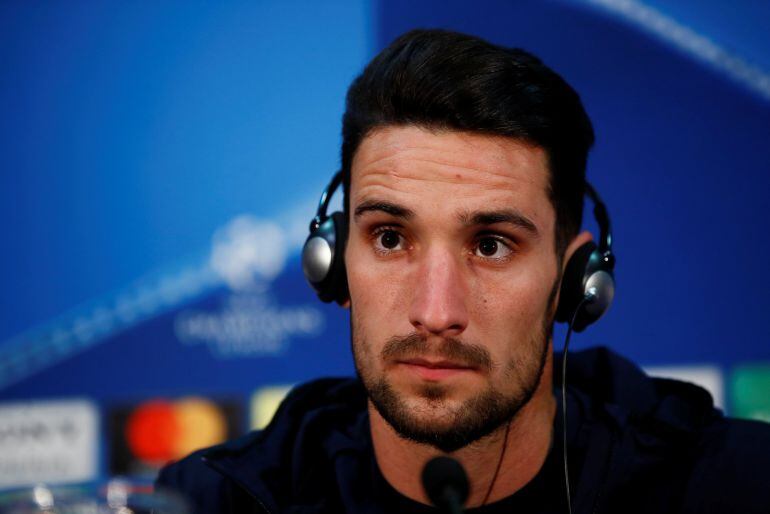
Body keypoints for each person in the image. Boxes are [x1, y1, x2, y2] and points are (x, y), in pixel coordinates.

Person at [155, 29, 770, 514]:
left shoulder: (728, 486)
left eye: (492, 246)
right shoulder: (217, 499)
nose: (437, 312)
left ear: (573, 280)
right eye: (391, 238)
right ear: (337, 264)